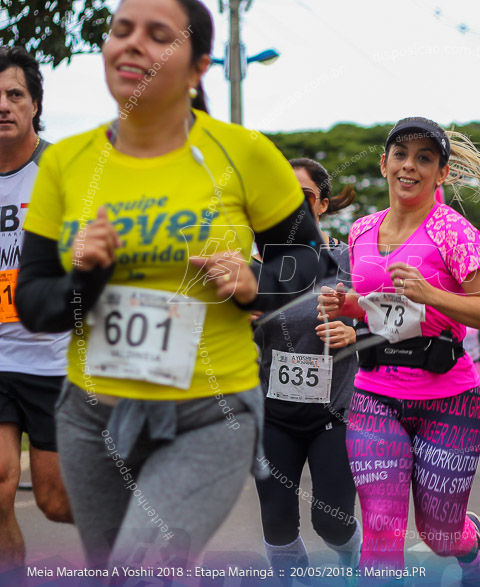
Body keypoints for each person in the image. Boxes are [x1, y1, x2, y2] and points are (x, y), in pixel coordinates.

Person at [15, 0, 328, 568]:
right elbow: (38, 306)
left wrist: (256, 283)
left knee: (144, 567)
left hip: (209, 413)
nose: (131, 44)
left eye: (158, 35)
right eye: (120, 30)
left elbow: (308, 258)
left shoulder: (244, 153)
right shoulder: (66, 163)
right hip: (94, 415)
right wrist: (87, 277)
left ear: (197, 67)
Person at [317, 117, 480, 583]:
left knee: (441, 534)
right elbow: (380, 311)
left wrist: (431, 294)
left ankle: (470, 543)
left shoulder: (454, 233)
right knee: (381, 530)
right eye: (401, 154)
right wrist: (348, 305)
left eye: (425, 158)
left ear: (441, 173)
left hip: (449, 398)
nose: (410, 166)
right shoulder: (361, 231)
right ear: (384, 164)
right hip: (374, 394)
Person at [251, 159, 361, 577]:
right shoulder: (255, 268)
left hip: (334, 415)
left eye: (305, 196)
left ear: (323, 205)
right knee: (277, 527)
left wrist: (356, 334)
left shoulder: (348, 259)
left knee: (331, 523)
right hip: (272, 416)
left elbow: (387, 321)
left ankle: (352, 555)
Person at [0, 46, 73, 573]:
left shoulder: (65, 173)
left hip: (55, 359)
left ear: (35, 104)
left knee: (54, 500)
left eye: (14, 94)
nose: (3, 105)